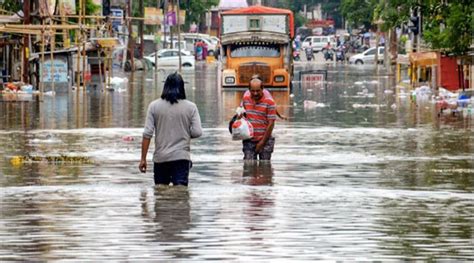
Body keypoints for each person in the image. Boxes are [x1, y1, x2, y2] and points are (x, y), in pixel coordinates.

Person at [139, 72, 202, 186]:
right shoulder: (191, 107)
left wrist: (143, 159)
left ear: (165, 87)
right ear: (182, 87)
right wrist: (184, 132)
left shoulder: (154, 106)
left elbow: (147, 134)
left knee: (161, 195)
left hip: (161, 158)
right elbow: (197, 132)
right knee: (180, 196)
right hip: (181, 158)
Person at [239, 76, 277, 160]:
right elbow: (242, 117)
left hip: (266, 140)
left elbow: (271, 124)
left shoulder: (269, 102)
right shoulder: (245, 99)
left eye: (258, 91)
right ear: (249, 90)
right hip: (249, 140)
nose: (255, 93)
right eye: (253, 91)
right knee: (248, 166)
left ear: (262, 88)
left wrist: (262, 142)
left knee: (265, 166)